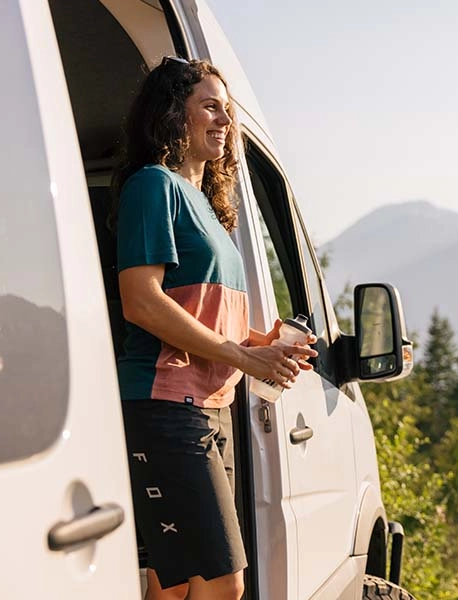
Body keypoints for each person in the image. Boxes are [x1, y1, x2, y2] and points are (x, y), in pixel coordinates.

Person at [111, 56, 317, 600]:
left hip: (205, 407)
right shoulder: (152, 187)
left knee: (173, 584)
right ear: (172, 113)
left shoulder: (205, 207)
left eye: (227, 111)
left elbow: (199, 313)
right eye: (210, 107)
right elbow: (141, 302)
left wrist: (260, 344)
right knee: (223, 583)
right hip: (164, 406)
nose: (225, 121)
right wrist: (242, 356)